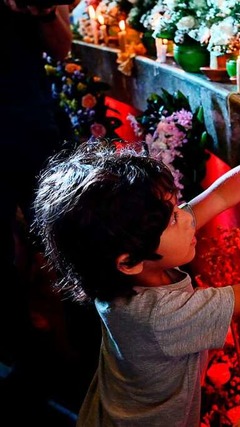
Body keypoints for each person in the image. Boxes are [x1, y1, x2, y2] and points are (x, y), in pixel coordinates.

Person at [32, 105, 240, 426]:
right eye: (173, 218)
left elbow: (220, 195)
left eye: (177, 207)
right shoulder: (161, 317)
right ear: (129, 262)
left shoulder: (114, 261)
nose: (187, 218)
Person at [0, 0, 74, 420]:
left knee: (65, 241)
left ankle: (82, 358)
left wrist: (43, 11)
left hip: (30, 125)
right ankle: (26, 360)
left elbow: (62, 48)